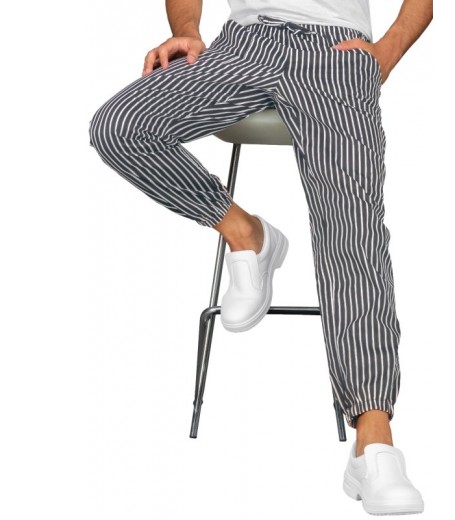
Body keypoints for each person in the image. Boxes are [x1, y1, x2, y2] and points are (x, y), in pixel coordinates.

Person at [89, 0, 432, 515]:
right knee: (119, 126)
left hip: (336, 52)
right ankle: (245, 233)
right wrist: (187, 30)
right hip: (243, 44)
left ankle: (373, 442)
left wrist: (385, 52)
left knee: (352, 229)